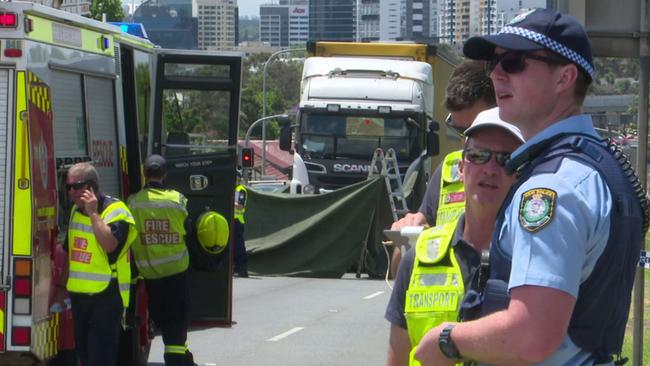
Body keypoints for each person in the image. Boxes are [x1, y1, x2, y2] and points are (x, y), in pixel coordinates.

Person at [413, 8, 648, 366]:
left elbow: (530, 336)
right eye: (494, 63)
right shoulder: (592, 166)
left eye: (514, 62)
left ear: (564, 77)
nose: (496, 74)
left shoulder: (551, 188)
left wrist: (448, 340)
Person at [385, 107, 524, 366]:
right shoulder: (420, 256)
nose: (491, 168)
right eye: (479, 155)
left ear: (520, 172)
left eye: (506, 159)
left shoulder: (535, 259)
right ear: (461, 168)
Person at [389, 60, 496, 276]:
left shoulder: (521, 173)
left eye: (474, 131)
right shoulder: (447, 172)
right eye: (458, 131)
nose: (466, 142)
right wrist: (408, 236)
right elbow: (401, 274)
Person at [57, 162, 136, 366]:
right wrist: (60, 287)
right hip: (80, 297)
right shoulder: (75, 211)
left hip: (106, 296)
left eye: (76, 186)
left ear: (91, 186)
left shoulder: (117, 211)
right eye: (68, 187)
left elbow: (110, 244)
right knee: (83, 354)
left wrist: (93, 214)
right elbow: (71, 252)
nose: (71, 192)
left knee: (100, 357)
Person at [127, 154, 196, 366]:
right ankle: (176, 360)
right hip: (176, 274)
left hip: (150, 277)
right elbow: (190, 232)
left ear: (144, 174)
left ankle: (185, 359)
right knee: (175, 326)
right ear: (165, 175)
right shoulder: (178, 200)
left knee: (165, 322)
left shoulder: (133, 203)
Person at [234, 177, 249, 277]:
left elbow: (240, 206)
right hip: (232, 221)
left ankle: (242, 270)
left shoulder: (241, 190)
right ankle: (236, 269)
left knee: (239, 247)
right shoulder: (234, 190)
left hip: (237, 221)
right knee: (234, 247)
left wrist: (229, 201)